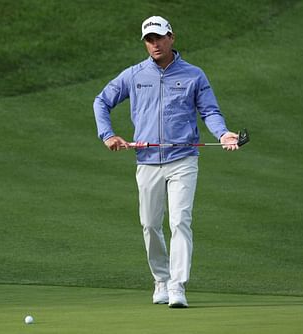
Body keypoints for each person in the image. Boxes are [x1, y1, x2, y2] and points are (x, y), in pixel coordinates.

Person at [93, 16, 239, 308]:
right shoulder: (134, 75)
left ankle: (177, 285)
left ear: (171, 37)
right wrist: (107, 134)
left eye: (159, 37)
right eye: (149, 39)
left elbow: (209, 111)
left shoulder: (194, 74)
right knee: (150, 224)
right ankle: (161, 279)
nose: (155, 44)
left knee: (180, 221)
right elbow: (101, 101)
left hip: (183, 159)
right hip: (147, 161)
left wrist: (223, 134)